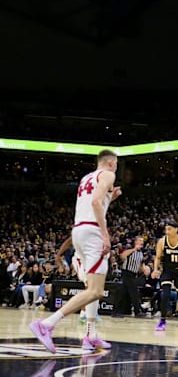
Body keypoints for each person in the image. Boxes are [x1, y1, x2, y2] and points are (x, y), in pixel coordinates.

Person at [30, 149, 122, 354]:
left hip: (79, 231)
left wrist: (111, 198)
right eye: (116, 163)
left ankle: (90, 335)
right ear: (110, 162)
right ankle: (46, 324)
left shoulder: (86, 178)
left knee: (92, 287)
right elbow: (96, 202)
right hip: (93, 232)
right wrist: (106, 235)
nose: (116, 167)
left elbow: (94, 202)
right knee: (96, 290)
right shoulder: (108, 175)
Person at [113, 236, 145, 318]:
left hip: (134, 274)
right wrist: (134, 249)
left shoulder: (141, 253)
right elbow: (122, 256)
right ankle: (137, 311)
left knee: (122, 293)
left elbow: (140, 265)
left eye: (142, 241)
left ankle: (115, 311)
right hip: (127, 273)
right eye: (140, 240)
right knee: (134, 292)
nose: (142, 242)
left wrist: (143, 269)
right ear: (136, 242)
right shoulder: (130, 250)